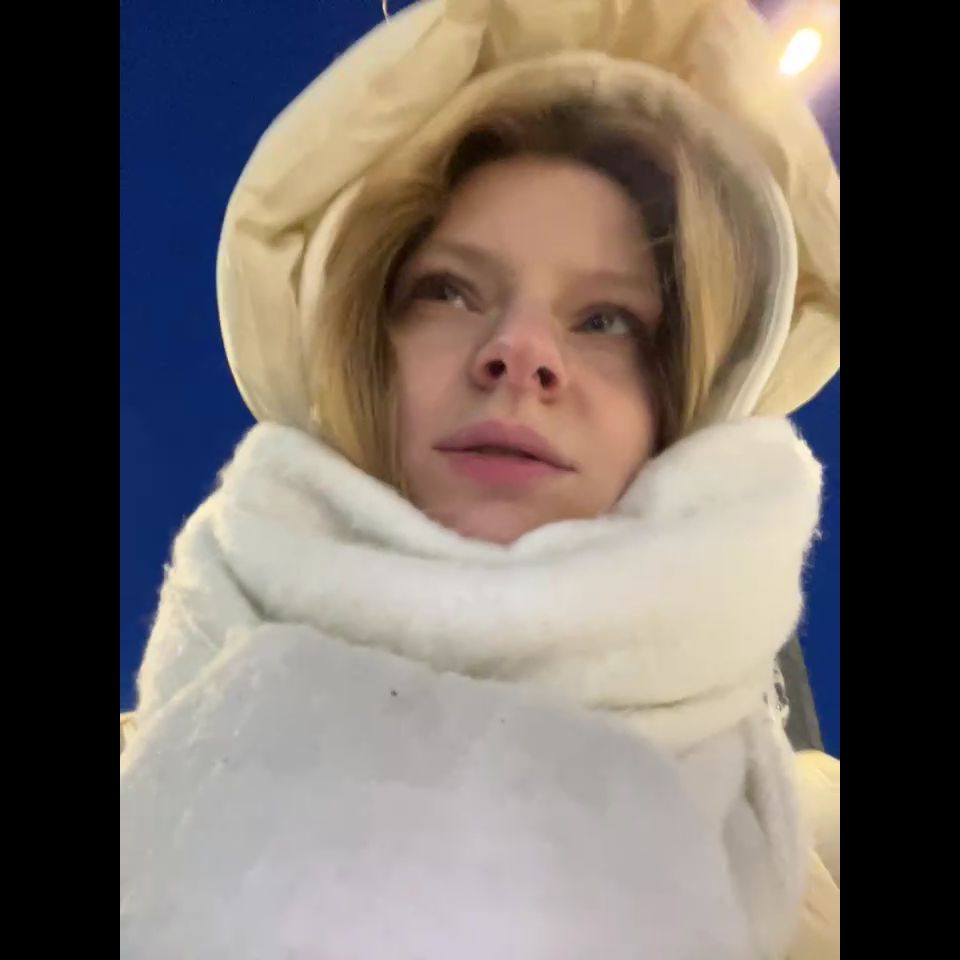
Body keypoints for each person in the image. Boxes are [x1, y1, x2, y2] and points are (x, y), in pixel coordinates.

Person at [119, 1, 840, 957]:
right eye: (449, 291)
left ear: (682, 406)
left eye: (607, 320)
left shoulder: (806, 868)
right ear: (362, 344)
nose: (519, 351)